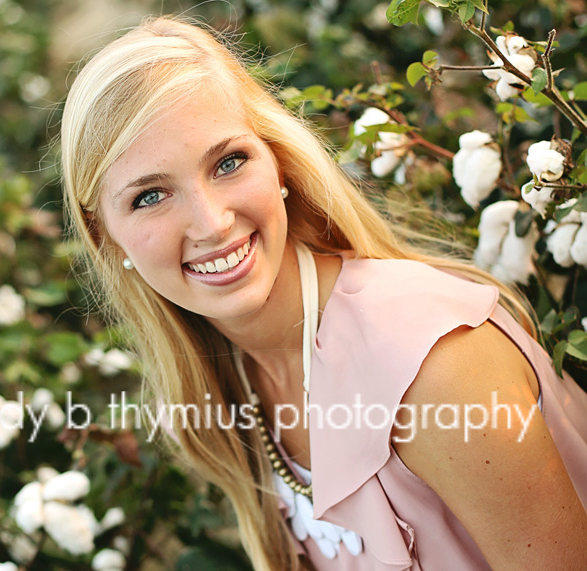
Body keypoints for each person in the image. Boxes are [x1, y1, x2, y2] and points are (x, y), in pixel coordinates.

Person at [59, 15, 587, 570]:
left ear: (278, 161)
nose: (212, 223)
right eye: (149, 196)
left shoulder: (433, 366)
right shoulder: (225, 383)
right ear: (104, 236)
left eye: (229, 162)